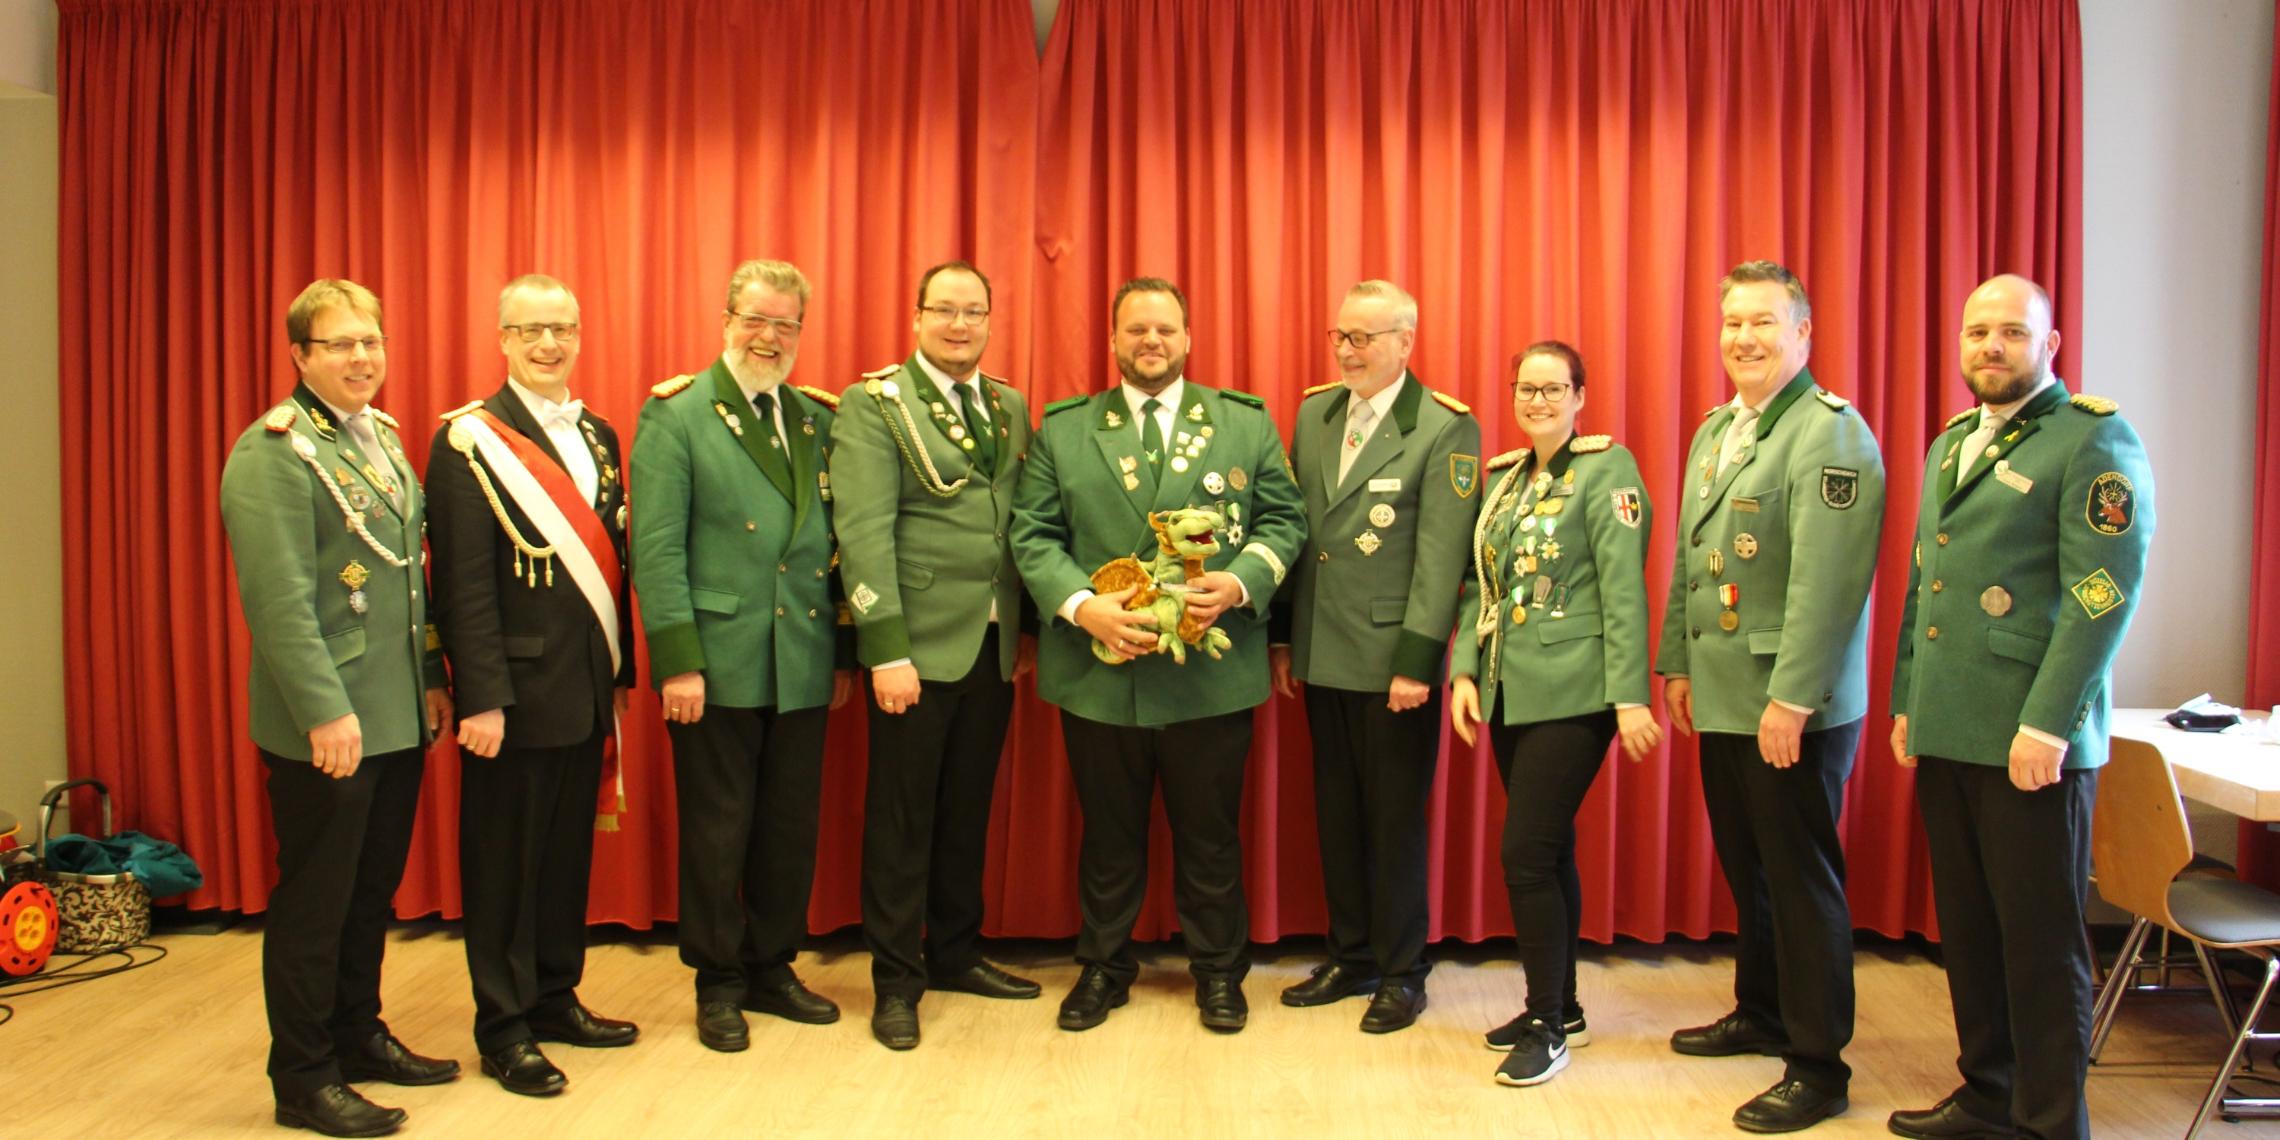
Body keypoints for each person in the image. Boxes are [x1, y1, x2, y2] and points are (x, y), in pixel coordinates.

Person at [1885, 275, 2154, 1140]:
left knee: (2040, 945)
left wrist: (2049, 722)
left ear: (2052, 344)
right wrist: (1905, 702)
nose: (1989, 348)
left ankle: (2049, 1120)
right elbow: (1927, 589)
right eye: (1975, 333)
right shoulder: (1953, 441)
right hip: (1952, 725)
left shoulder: (2093, 439)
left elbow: (2103, 592)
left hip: (2029, 738)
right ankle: (1988, 1092)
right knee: (1968, 930)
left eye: (2010, 332)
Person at [1010, 276, 1307, 1034]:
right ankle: (1104, 969)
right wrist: (1084, 608)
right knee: (1108, 838)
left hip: (1209, 672)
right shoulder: (1065, 428)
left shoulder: (1244, 423)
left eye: (1165, 330)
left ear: (1188, 338)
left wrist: (1240, 587)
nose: (1152, 342)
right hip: (1099, 674)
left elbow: (1285, 520)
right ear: (1113, 341)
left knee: (1210, 836)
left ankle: (1218, 973)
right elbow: (1032, 535)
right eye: (1137, 330)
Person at [220, 278, 456, 1137]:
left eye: (372, 342)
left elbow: (405, 586)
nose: (362, 358)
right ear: (299, 357)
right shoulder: (273, 453)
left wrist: (431, 675)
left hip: (392, 712)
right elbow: (278, 602)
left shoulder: (381, 440)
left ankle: (360, 1034)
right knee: (317, 901)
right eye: (340, 345)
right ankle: (304, 1076)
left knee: (369, 894)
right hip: (329, 725)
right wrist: (324, 709)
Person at [1655, 260, 1886, 1133]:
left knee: (1799, 880)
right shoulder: (1719, 429)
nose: (1743, 339)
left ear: (1802, 334)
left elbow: (1831, 588)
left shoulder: (1829, 435)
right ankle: (1763, 1011)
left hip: (1791, 706)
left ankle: (1819, 1064)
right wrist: (1675, 661)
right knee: (1748, 869)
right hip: (1723, 693)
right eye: (1731, 324)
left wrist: (1792, 699)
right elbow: (1690, 557)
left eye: (1763, 323)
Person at [628, 259, 854, 1053]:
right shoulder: (679, 415)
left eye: (787, 324)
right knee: (719, 830)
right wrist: (677, 660)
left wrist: (839, 655)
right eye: (756, 319)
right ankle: (717, 980)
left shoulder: (815, 417)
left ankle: (772, 964)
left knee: (789, 827)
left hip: (797, 653)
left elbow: (830, 544)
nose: (770, 337)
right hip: (717, 660)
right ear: (726, 318)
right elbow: (655, 551)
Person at [426, 274, 639, 1096]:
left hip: (584, 689)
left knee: (562, 858)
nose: (549, 344)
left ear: (580, 335)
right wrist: (478, 693)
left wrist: (619, 673)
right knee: (504, 864)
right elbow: (463, 584)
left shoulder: (602, 433)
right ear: (503, 340)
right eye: (531, 331)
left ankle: (555, 995)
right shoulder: (468, 441)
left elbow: (610, 572)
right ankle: (503, 1025)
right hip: (509, 696)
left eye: (562, 329)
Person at [832, 260, 1041, 1051]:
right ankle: (895, 980)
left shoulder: (1008, 405)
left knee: (965, 814)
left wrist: (1020, 630)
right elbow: (862, 532)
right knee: (902, 821)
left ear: (991, 321)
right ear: (917, 317)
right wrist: (882, 648)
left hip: (989, 646)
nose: (960, 326)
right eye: (945, 311)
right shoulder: (876, 403)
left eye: (974, 312)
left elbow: (1011, 526)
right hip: (913, 648)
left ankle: (955, 953)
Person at [1449, 340, 1662, 1087]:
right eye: (1525, 388)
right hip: (1512, 689)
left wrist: (1631, 695)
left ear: (1579, 397)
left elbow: (1623, 589)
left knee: (1526, 854)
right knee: (1552, 850)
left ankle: (1546, 1025)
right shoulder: (1505, 479)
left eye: (1552, 388)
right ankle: (1564, 1004)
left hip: (1578, 691)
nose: (1537, 401)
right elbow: (1481, 587)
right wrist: (1465, 674)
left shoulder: (1607, 470)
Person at [1269, 280, 1479, 1033]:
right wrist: (1287, 637)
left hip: (1395, 662)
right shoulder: (1314, 412)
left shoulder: (1444, 427)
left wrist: (1418, 662)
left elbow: (1442, 557)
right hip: (1326, 653)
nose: (1350, 351)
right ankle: (1351, 954)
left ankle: (1402, 970)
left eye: (1366, 338)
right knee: (1336, 815)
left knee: (1393, 821)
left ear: (1405, 342)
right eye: (1341, 338)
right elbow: (1299, 538)